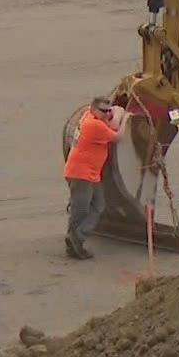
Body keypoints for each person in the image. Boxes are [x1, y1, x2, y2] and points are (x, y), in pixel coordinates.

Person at [63, 96, 127, 260]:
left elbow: (108, 124)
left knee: (98, 204)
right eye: (103, 111)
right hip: (81, 173)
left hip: (91, 173)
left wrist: (114, 113)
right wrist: (124, 117)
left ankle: (75, 238)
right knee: (81, 209)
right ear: (93, 110)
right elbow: (118, 135)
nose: (106, 114)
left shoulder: (87, 116)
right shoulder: (94, 125)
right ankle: (76, 239)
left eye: (108, 111)